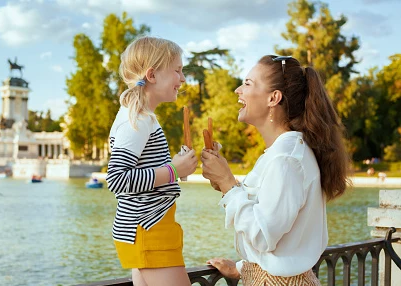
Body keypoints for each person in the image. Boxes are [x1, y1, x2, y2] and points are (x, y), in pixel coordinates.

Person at [200, 55, 349, 285]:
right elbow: (279, 231)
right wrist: (244, 267)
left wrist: (229, 183)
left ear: (273, 98)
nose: (238, 90)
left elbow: (263, 234)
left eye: (248, 83)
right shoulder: (283, 153)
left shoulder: (286, 160)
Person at [106, 36, 198, 286]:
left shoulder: (142, 118)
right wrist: (173, 170)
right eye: (177, 70)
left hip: (150, 227)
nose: (183, 79)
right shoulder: (137, 120)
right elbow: (117, 179)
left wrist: (178, 166)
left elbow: (148, 170)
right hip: (148, 228)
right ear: (152, 75)